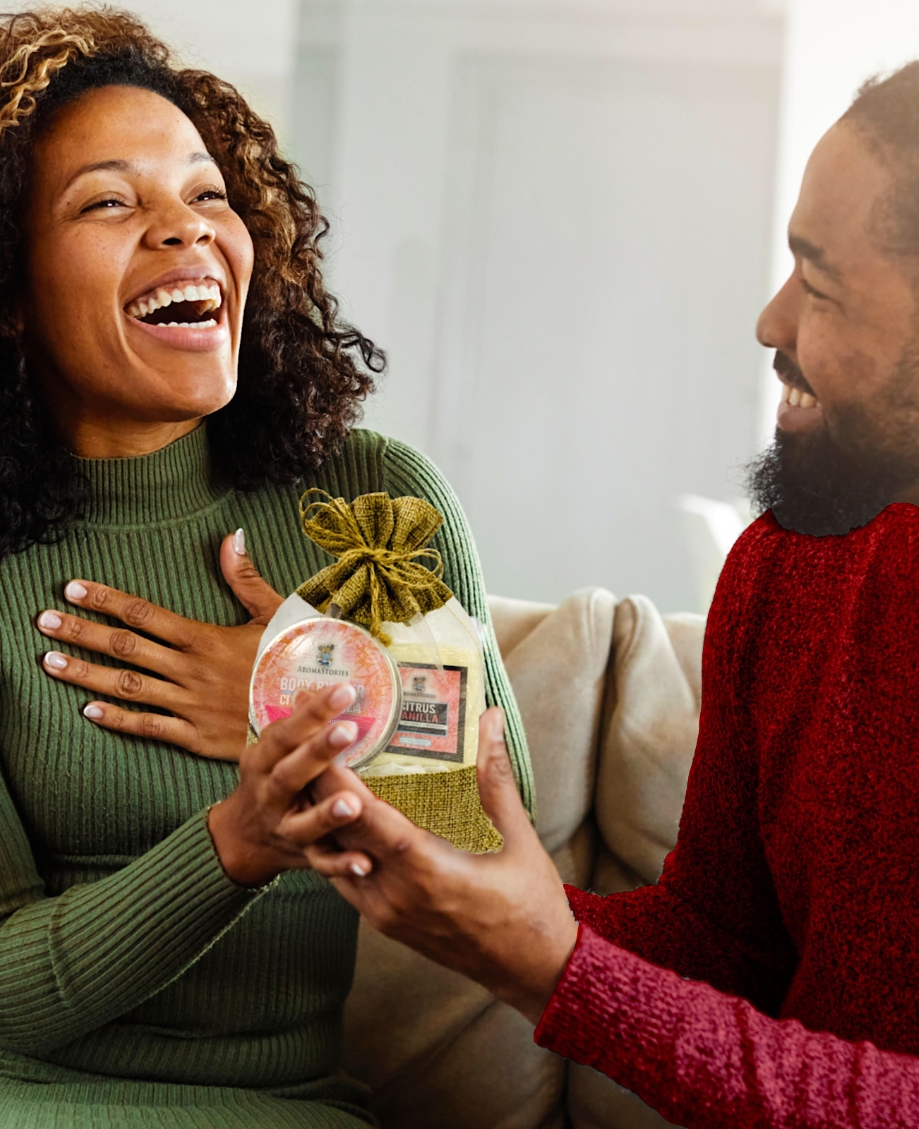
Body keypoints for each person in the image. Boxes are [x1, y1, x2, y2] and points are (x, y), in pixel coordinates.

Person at [0, 9, 532, 1127]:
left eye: (209, 194)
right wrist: (236, 842)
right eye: (111, 202)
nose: (186, 232)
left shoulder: (372, 505)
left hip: (269, 1099)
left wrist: (293, 683)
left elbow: (495, 839)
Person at [294, 62, 919, 1129]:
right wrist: (483, 901)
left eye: (819, 286)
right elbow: (725, 943)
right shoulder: (790, 564)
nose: (769, 324)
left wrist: (556, 968)